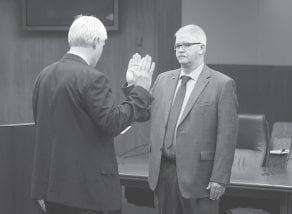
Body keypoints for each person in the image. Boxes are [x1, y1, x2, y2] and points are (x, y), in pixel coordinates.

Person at [30, 15, 155, 214]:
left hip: (52, 190)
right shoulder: (92, 78)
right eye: (103, 44)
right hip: (87, 194)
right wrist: (140, 88)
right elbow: (113, 123)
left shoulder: (44, 75)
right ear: (96, 41)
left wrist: (131, 87)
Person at [147, 24, 239, 214]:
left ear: (202, 48)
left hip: (200, 178)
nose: (180, 49)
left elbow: (227, 136)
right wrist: (134, 86)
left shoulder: (222, 84)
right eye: (177, 45)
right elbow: (143, 114)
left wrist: (220, 178)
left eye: (186, 44)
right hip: (164, 173)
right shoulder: (163, 79)